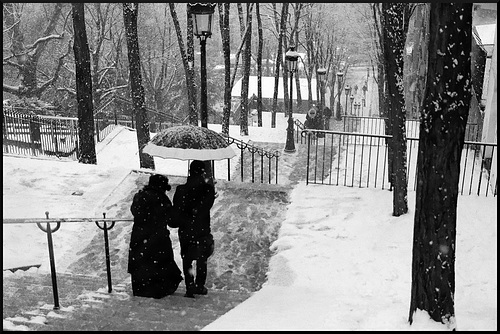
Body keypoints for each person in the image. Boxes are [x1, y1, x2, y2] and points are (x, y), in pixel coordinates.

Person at [128, 174, 183, 299]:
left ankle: (142, 289)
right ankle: (158, 289)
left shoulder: (140, 196)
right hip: (158, 238)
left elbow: (134, 211)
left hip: (139, 237)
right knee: (160, 264)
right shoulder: (162, 199)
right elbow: (172, 221)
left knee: (141, 265)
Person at [173, 160, 216, 298]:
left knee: (187, 258)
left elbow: (177, 207)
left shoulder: (181, 190)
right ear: (202, 172)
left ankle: (189, 286)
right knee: (201, 258)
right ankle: (199, 285)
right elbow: (207, 205)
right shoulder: (207, 189)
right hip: (201, 228)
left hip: (185, 229)